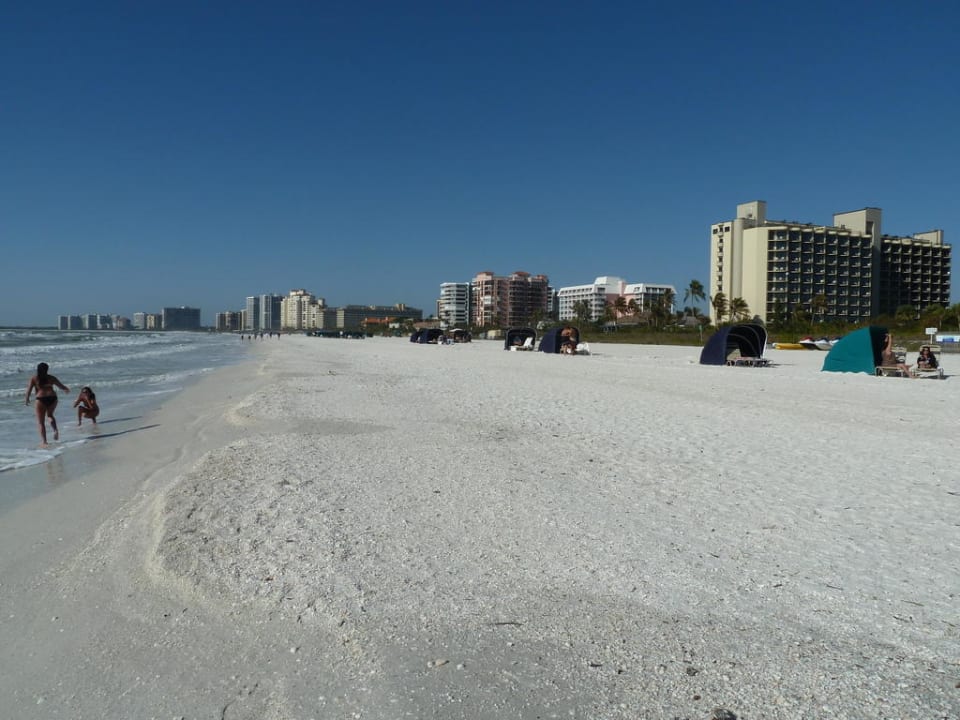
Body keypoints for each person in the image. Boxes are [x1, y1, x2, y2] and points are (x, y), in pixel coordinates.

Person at [25, 362, 70, 446]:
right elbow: (61, 386)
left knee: (40, 422)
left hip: (41, 399)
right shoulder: (51, 378)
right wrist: (66, 389)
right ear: (47, 369)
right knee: (49, 415)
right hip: (53, 398)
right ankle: (55, 430)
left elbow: (29, 390)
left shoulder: (34, 378)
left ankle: (44, 442)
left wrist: (27, 399)